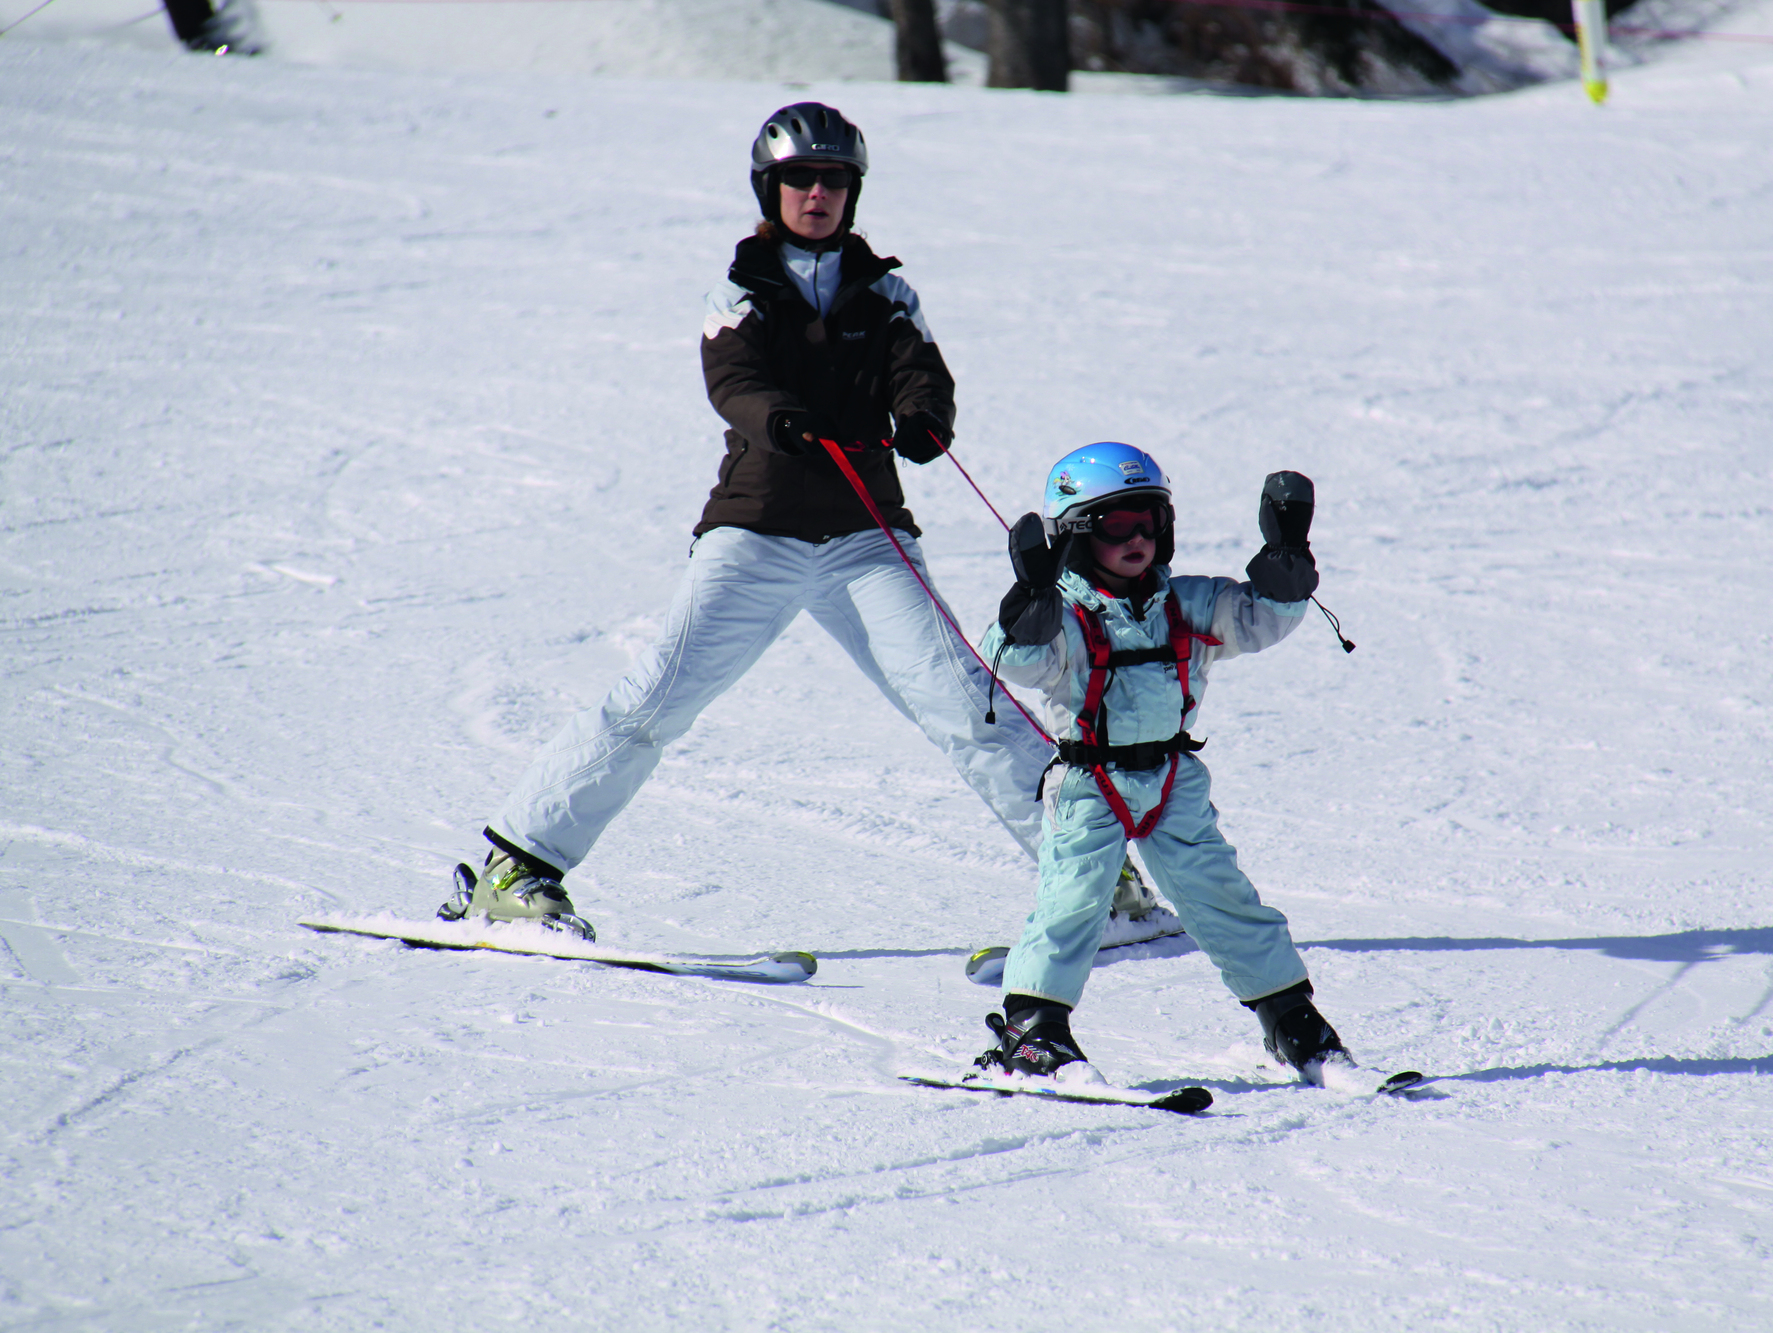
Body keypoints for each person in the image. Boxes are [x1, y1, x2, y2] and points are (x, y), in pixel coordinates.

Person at [437, 104, 1148, 937]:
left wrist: (922, 419)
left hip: (866, 538)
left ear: (853, 193)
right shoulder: (739, 292)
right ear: (769, 190)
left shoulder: (887, 293)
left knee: (968, 704)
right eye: (800, 180)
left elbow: (921, 374)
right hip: (756, 530)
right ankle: (516, 866)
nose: (818, 194)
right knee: (656, 699)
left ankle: (1097, 882)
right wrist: (781, 419)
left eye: (834, 181)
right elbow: (733, 380)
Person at [970, 443, 1354, 1085]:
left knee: (1218, 892)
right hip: (1090, 781)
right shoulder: (1065, 616)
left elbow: (1256, 618)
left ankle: (1290, 1017)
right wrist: (1030, 600)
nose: (1138, 538)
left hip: (1174, 779)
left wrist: (1286, 566)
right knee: (1074, 899)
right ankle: (1032, 1028)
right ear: (1073, 536)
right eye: (1116, 525)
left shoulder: (1189, 602)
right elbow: (1009, 660)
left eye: (1151, 520)